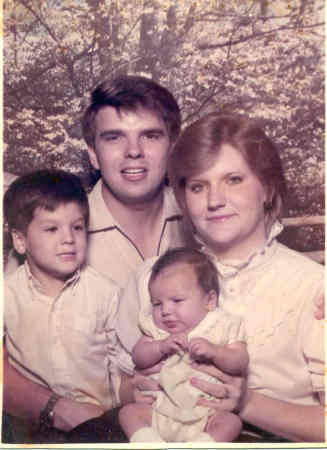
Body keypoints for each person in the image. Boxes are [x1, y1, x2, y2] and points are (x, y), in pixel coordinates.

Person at [116, 113, 325, 442]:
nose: (215, 201)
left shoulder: (313, 287)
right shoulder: (151, 276)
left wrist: (247, 402)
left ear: (267, 188)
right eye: (198, 187)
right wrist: (134, 389)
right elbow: (119, 384)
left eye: (234, 180)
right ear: (184, 200)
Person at [3, 169, 130, 443]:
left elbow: (120, 369)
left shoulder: (105, 293)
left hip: (99, 422)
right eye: (51, 229)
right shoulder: (7, 294)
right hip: (29, 426)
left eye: (77, 227)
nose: (69, 239)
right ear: (20, 240)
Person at [119, 247, 248, 442]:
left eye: (177, 300)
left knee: (231, 423)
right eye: (156, 303)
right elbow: (138, 356)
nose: (165, 311)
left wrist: (216, 352)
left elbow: (240, 361)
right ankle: (149, 443)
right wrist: (159, 347)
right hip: (159, 408)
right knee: (128, 413)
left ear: (210, 301)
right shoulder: (155, 329)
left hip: (206, 411)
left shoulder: (222, 324)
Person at [82, 75, 185, 287]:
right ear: (93, 154)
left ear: (172, 147)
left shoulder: (203, 219)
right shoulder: (57, 234)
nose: (134, 151)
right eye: (114, 138)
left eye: (150, 136)